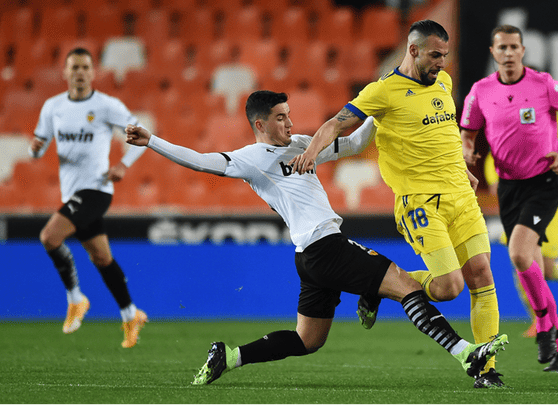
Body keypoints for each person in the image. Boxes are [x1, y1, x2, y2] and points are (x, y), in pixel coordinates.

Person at [125, 90, 508, 388]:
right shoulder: (250, 159)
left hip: (309, 258)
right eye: (280, 118)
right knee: (406, 286)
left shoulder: (299, 146)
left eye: (289, 115)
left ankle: (230, 356)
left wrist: (382, 107)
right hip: (325, 248)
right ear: (259, 124)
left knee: (307, 340)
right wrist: (152, 141)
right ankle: (465, 353)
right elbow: (199, 159)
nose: (289, 123)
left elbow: (355, 144)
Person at [289, 20, 505, 388]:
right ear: (413, 50)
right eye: (435, 56)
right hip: (420, 202)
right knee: (448, 288)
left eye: (445, 56)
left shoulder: (444, 83)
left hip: (460, 196)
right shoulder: (383, 91)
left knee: (482, 274)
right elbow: (335, 125)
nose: (441, 63)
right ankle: (380, 287)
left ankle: (484, 370)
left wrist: (462, 170)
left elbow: (444, 132)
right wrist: (311, 151)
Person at [459, 25, 558, 372]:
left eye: (513, 47)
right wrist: (467, 151)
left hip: (544, 182)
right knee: (530, 265)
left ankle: (544, 329)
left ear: (522, 50)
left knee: (520, 254)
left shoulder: (543, 84)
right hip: (509, 187)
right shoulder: (480, 91)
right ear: (493, 52)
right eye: (501, 47)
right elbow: (468, 134)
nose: (507, 53)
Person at [29, 47, 148, 348]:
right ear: (65, 72)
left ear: (93, 73)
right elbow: (39, 147)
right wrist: (35, 149)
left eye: (85, 67)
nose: (79, 72)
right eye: (74, 68)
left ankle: (76, 299)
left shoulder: (107, 105)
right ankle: (131, 313)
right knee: (101, 257)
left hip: (96, 190)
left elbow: (141, 135)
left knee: (49, 237)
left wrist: (123, 164)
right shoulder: (52, 107)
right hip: (71, 192)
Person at [466, 111, 558, 338]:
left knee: (544, 266)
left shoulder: (556, 117)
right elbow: (493, 157)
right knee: (521, 259)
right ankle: (539, 320)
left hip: (554, 199)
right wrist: (496, 180)